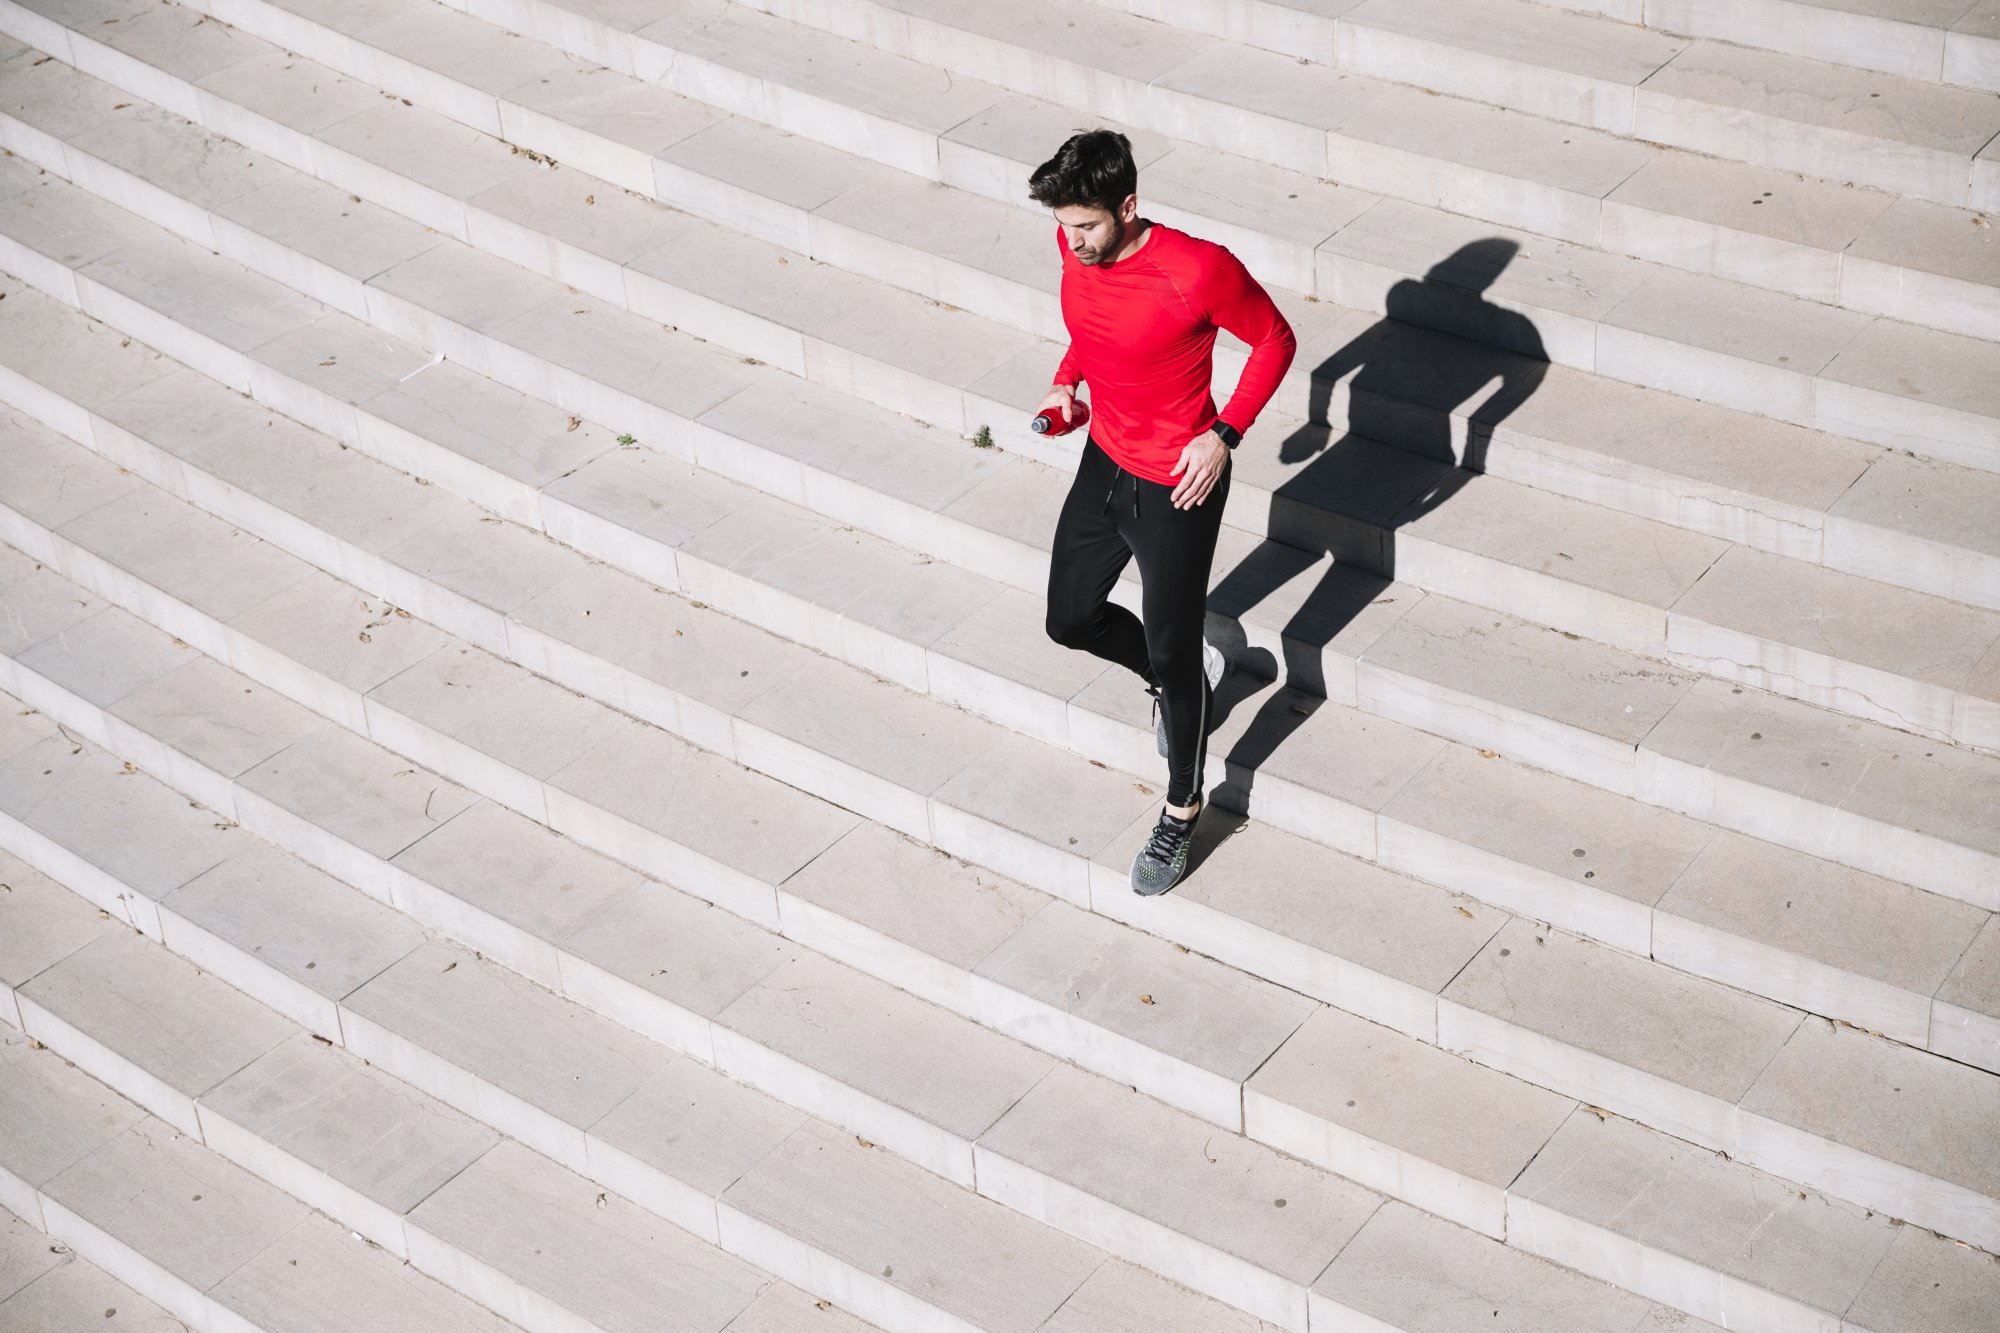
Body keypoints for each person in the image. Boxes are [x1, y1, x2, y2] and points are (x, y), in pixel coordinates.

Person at [1032, 130, 1297, 896]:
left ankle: (1183, 811)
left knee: (1177, 647)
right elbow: (1093, 326)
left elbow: (1275, 340)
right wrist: (1065, 379)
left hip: (1179, 480)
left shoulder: (1196, 268)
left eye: (1086, 225)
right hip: (1104, 458)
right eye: (1063, 225)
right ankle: (1174, 682)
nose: (1071, 241)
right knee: (1069, 618)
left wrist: (1224, 435)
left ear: (1129, 206)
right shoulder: (1073, 243)